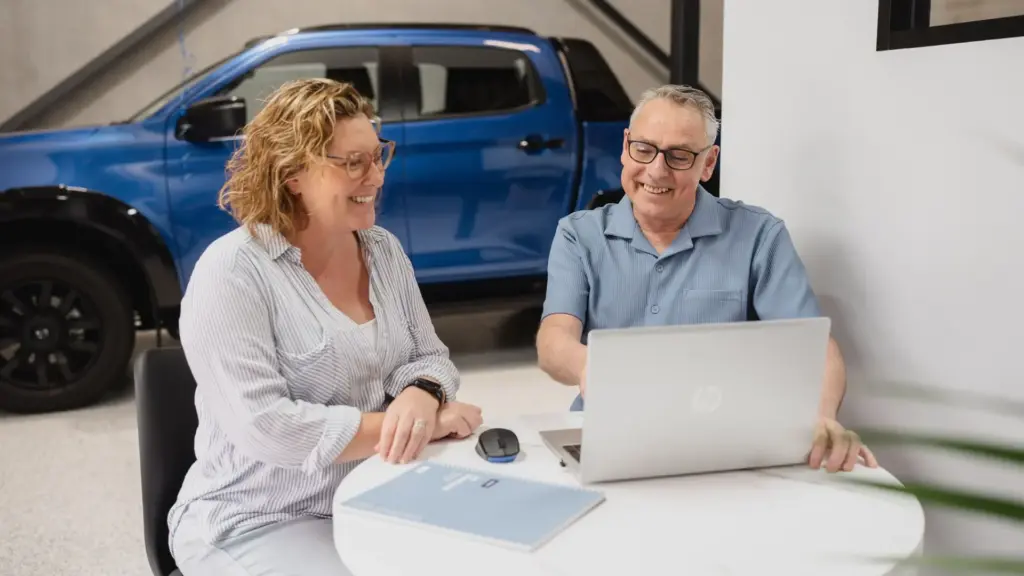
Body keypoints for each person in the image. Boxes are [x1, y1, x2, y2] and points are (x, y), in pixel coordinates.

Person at [167, 78, 484, 576]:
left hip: (372, 495)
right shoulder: (231, 272)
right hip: (259, 517)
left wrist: (422, 393)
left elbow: (429, 357)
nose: (375, 177)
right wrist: (423, 423)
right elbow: (269, 429)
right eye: (352, 163)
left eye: (378, 157)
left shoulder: (381, 249)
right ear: (292, 172)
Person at [535, 84, 876, 474]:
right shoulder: (579, 234)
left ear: (709, 163)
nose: (656, 170)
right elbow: (553, 340)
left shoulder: (759, 235)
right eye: (644, 149)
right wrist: (588, 364)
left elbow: (815, 347)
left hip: (727, 440)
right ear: (625, 145)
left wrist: (821, 416)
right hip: (605, 434)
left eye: (679, 156)